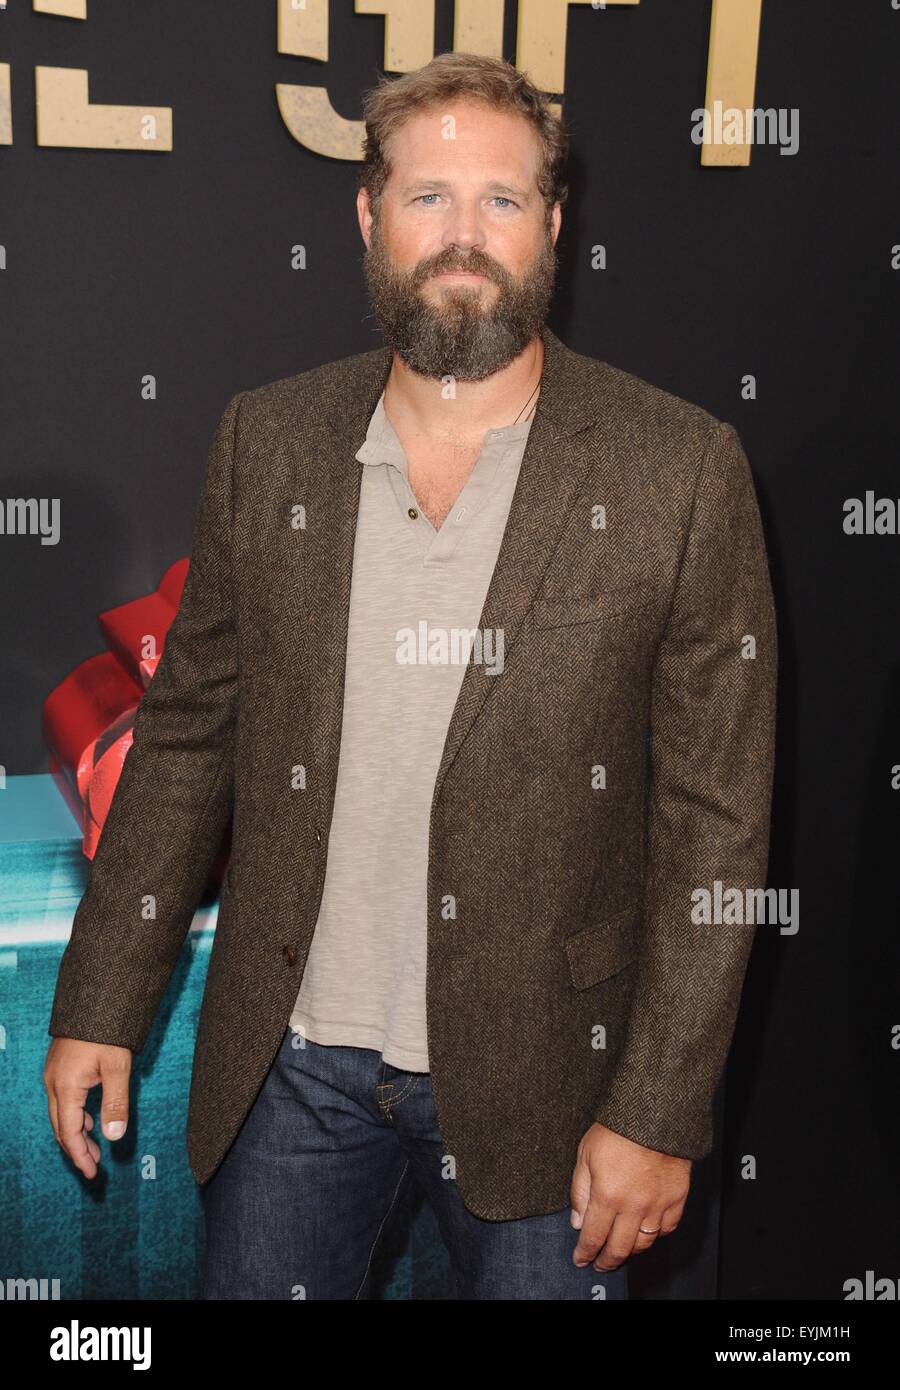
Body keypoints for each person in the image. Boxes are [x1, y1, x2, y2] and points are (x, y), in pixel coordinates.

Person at [45, 52, 778, 1300]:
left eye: (500, 200)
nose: (463, 237)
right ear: (368, 216)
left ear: (554, 224)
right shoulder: (265, 440)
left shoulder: (680, 471)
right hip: (293, 1075)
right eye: (428, 197)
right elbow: (187, 744)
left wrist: (660, 1107)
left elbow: (716, 829)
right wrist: (100, 996)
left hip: (559, 1086)